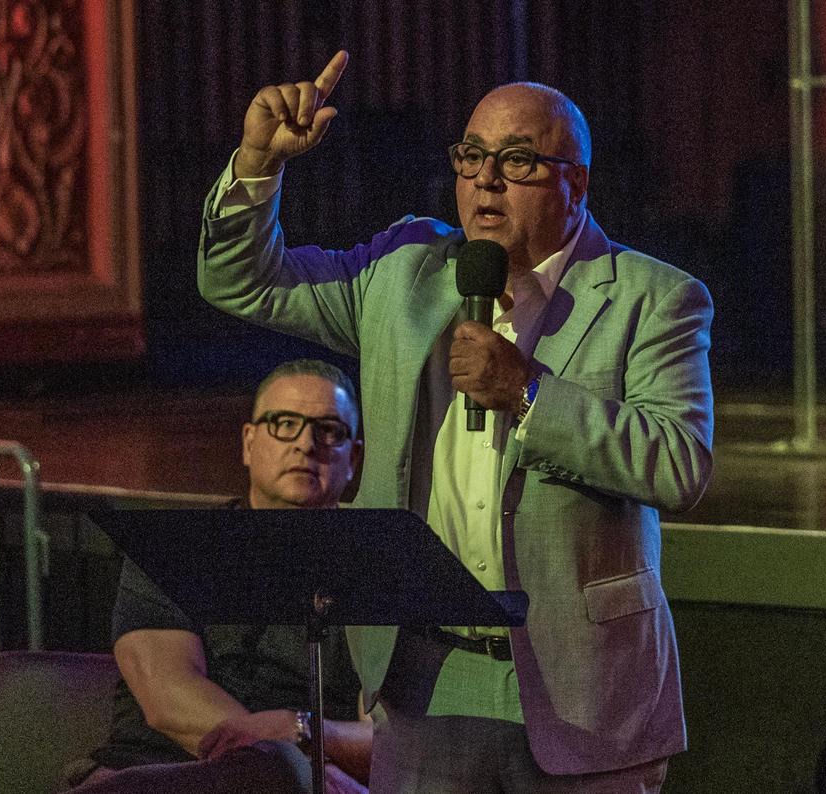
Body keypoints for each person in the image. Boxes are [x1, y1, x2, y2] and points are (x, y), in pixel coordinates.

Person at [198, 50, 714, 794]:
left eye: (516, 160)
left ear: (578, 181)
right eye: (471, 156)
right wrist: (257, 164)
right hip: (424, 685)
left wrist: (528, 393)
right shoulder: (402, 272)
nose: (485, 181)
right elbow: (238, 281)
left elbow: (679, 465)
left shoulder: (653, 298)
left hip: (584, 698)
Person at [69, 359, 372, 794]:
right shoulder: (177, 547)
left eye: (328, 430)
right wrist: (285, 757)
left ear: (354, 457)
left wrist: (303, 733)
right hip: (154, 771)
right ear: (249, 443)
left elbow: (388, 735)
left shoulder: (379, 565)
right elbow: (167, 692)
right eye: (284, 423)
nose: (305, 444)